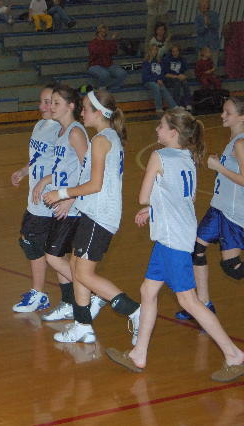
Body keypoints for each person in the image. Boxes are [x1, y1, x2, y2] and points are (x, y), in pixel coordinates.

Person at [106, 107, 244, 383]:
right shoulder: (188, 157)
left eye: (161, 125)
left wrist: (150, 206)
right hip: (177, 233)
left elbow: (143, 196)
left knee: (188, 300)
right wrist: (154, 210)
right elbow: (184, 199)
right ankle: (138, 354)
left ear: (173, 132)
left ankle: (234, 354)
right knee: (147, 291)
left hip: (173, 239)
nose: (156, 129)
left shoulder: (159, 156)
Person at [43, 90, 140, 345]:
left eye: (85, 108)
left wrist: (61, 193)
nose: (82, 112)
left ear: (98, 113)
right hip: (92, 212)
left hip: (100, 214)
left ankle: (135, 311)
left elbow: (95, 184)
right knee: (76, 268)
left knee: (84, 275)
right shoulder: (106, 137)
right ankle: (82, 325)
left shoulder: (101, 140)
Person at [175, 96, 244, 320]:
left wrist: (218, 167)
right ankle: (203, 305)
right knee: (196, 249)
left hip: (233, 213)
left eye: (228, 113)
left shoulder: (241, 144)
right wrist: (220, 164)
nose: (222, 115)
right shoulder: (233, 141)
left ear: (241, 117)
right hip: (218, 208)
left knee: (232, 267)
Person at [32, 85, 94, 322]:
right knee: (60, 256)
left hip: (73, 206)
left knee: (53, 256)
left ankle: (93, 292)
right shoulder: (61, 131)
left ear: (71, 106)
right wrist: (46, 181)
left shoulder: (75, 132)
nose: (51, 107)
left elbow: (89, 170)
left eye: (56, 103)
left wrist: (71, 197)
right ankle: (69, 302)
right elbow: (64, 168)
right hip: (60, 201)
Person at [10, 84, 65, 314]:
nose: (42, 106)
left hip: (49, 200)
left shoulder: (61, 131)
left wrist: (48, 183)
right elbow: (38, 159)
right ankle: (72, 298)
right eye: (41, 101)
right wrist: (24, 171)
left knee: (33, 244)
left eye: (48, 102)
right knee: (51, 251)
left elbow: (68, 167)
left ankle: (40, 293)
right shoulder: (40, 125)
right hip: (35, 198)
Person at [87, 24, 127, 91]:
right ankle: (101, 88)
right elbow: (100, 51)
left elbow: (114, 52)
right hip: (95, 65)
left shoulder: (108, 42)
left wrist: (111, 43)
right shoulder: (92, 43)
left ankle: (112, 87)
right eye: (101, 32)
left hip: (108, 65)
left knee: (122, 73)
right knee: (105, 74)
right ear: (97, 33)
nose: (103, 34)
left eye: (105, 32)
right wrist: (111, 42)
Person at [142, 44, 178, 113]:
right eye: (153, 50)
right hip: (148, 81)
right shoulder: (146, 62)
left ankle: (174, 106)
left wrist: (160, 79)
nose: (155, 51)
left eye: (156, 50)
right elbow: (146, 76)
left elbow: (162, 73)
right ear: (149, 51)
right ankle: (158, 108)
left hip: (158, 81)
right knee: (156, 86)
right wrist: (156, 79)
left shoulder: (159, 61)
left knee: (162, 87)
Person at [162, 44, 191, 111]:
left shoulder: (182, 59)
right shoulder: (167, 59)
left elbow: (187, 72)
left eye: (176, 51)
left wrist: (184, 76)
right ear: (171, 52)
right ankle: (177, 104)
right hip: (170, 78)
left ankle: (188, 103)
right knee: (177, 83)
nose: (175, 53)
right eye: (173, 51)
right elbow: (165, 74)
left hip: (179, 77)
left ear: (179, 51)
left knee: (185, 83)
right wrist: (176, 76)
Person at [195, 0, 219, 65]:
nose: (204, 6)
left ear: (208, 5)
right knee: (201, 67)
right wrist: (205, 26)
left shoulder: (214, 15)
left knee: (213, 66)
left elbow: (216, 26)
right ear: (199, 7)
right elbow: (198, 31)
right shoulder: (198, 17)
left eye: (205, 5)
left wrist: (209, 23)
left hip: (213, 46)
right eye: (202, 5)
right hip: (202, 47)